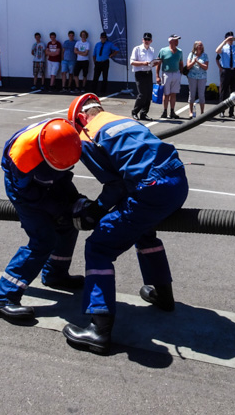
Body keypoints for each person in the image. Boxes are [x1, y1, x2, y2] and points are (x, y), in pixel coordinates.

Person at [62, 94, 189, 355]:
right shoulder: (125, 120)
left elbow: (114, 186)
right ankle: (163, 296)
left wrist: (95, 211)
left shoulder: (88, 135)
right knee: (143, 232)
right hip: (178, 180)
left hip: (148, 190)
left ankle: (98, 331)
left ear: (81, 118)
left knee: (98, 247)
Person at [0, 118, 85, 322]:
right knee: (43, 240)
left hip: (48, 169)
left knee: (69, 224)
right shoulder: (23, 157)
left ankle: (55, 275)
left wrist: (75, 200)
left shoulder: (64, 137)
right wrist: (57, 208)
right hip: (24, 190)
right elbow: (29, 194)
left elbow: (62, 176)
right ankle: (2, 299)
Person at [156, 34, 184, 119]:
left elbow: (181, 63)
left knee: (173, 93)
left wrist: (180, 73)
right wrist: (157, 76)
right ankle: (165, 111)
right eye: (176, 40)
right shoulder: (163, 50)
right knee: (166, 94)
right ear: (171, 41)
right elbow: (158, 63)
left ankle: (172, 111)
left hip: (176, 74)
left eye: (178, 40)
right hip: (166, 74)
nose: (177, 41)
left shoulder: (180, 51)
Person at [129, 32, 156, 120]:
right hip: (140, 73)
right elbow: (132, 62)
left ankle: (144, 113)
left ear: (151, 41)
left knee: (148, 95)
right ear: (142, 40)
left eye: (148, 39)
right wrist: (143, 63)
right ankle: (135, 112)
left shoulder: (152, 49)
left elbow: (151, 63)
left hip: (148, 73)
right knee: (142, 94)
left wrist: (155, 63)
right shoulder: (137, 49)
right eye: (145, 39)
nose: (146, 41)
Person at [186, 40, 209, 119]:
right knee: (192, 94)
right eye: (199, 45)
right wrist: (193, 61)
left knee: (201, 95)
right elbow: (188, 66)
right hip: (192, 77)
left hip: (202, 77)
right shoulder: (191, 54)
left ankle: (202, 112)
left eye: (201, 45)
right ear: (195, 46)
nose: (201, 46)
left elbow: (206, 67)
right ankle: (190, 112)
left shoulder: (205, 55)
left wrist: (198, 62)